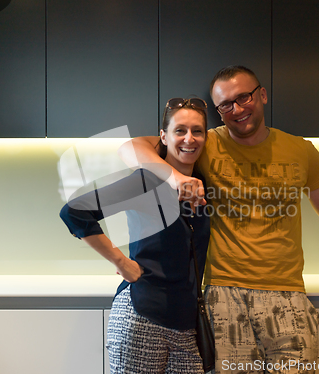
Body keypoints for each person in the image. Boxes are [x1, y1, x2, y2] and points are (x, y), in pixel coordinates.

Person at [117, 66, 319, 373]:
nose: (237, 109)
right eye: (225, 104)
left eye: (243, 97)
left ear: (261, 95)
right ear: (219, 112)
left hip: (287, 294)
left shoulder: (301, 150)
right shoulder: (205, 143)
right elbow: (130, 148)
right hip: (222, 294)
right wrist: (176, 179)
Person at [60, 97, 211, 373]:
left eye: (197, 131)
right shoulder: (147, 180)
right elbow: (74, 211)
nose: (189, 138)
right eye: (180, 130)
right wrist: (121, 262)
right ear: (163, 137)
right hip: (142, 316)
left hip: (186, 324)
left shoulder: (204, 185)